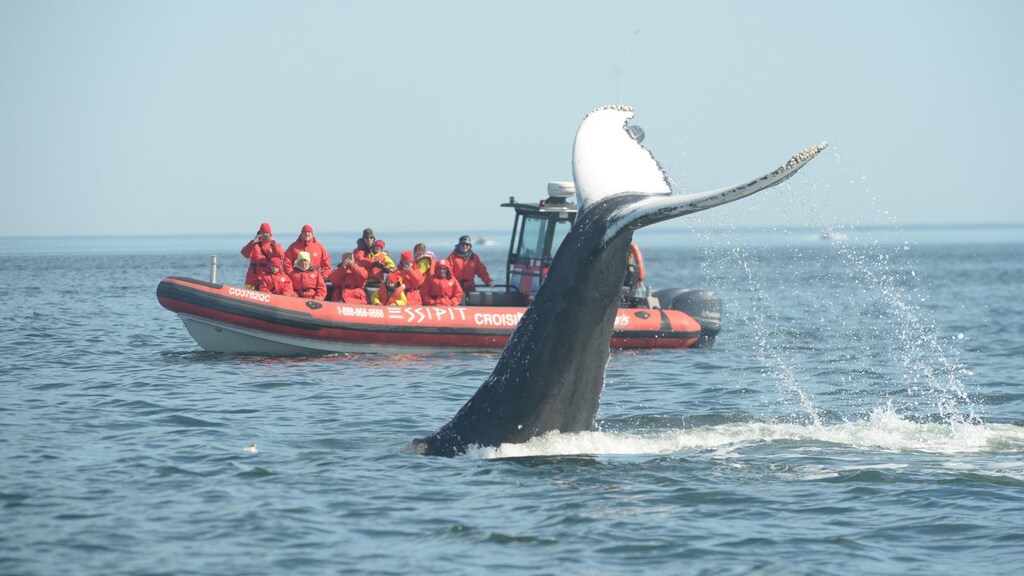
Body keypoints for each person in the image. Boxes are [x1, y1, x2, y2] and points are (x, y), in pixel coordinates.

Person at [240, 222, 285, 289]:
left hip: (266, 281)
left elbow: (281, 257)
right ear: (260, 234)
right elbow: (245, 254)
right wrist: (253, 243)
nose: (266, 235)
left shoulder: (274, 244)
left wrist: (274, 245)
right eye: (263, 233)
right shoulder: (254, 244)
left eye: (267, 233)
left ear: (271, 234)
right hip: (252, 280)